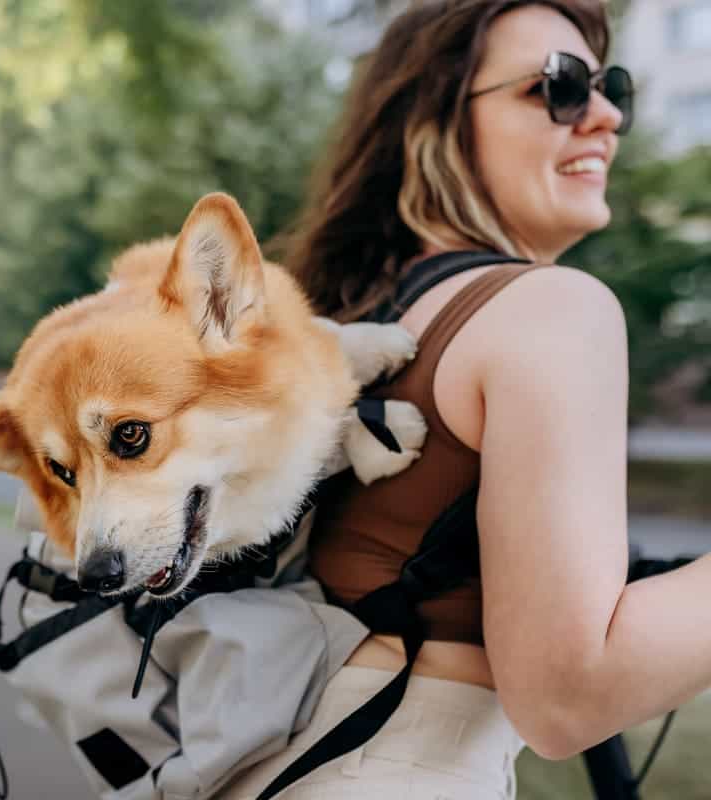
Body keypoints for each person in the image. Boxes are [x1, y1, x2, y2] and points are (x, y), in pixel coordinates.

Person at [216, 1, 711, 798]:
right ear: (434, 127)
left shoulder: (359, 321)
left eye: (610, 86)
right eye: (561, 86)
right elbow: (567, 696)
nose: (608, 115)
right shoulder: (552, 309)